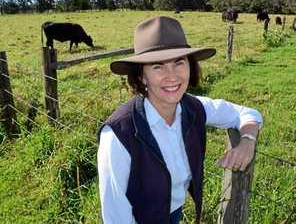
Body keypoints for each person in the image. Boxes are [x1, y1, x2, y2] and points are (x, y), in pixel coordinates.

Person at [97, 16, 263, 224]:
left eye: (179, 63)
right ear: (142, 76)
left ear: (190, 66)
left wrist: (247, 140)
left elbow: (247, 113)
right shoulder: (118, 135)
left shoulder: (193, 108)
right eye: (157, 66)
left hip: (174, 213)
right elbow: (116, 217)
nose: (172, 76)